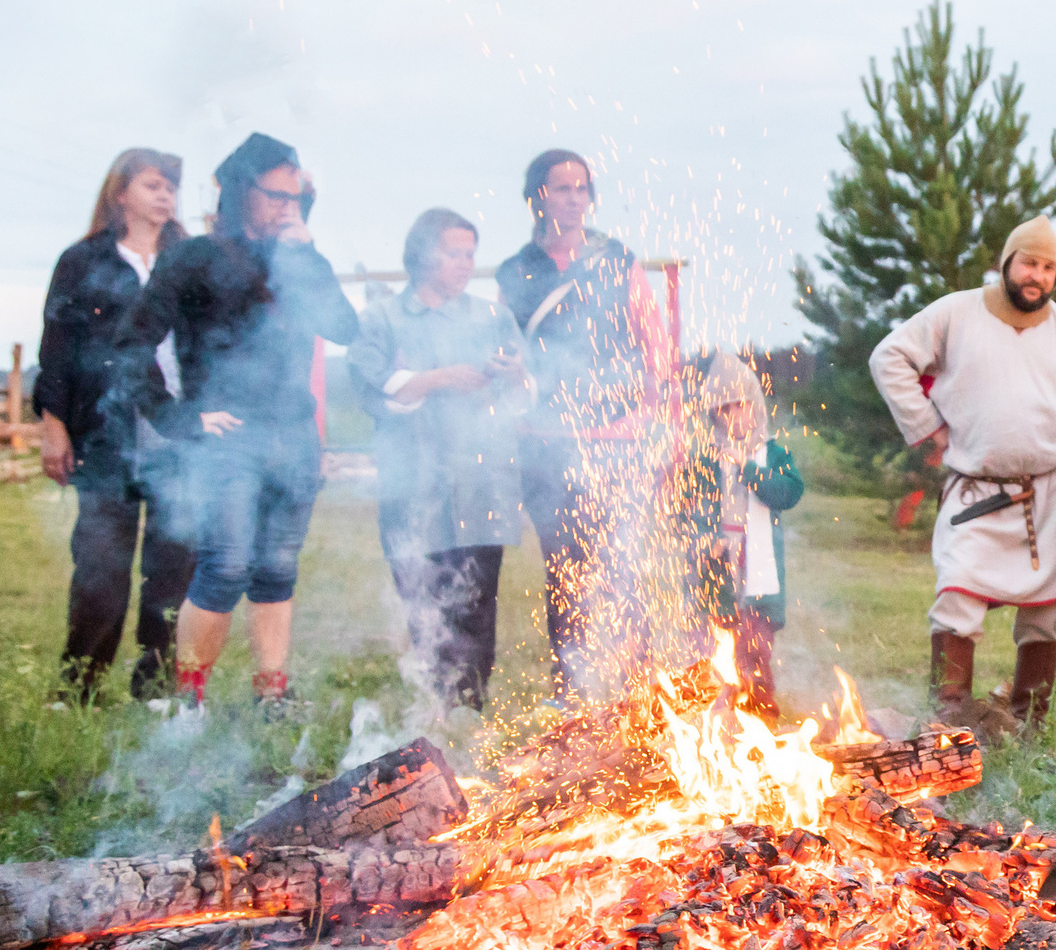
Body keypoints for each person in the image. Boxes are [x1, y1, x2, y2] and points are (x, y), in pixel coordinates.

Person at [868, 217, 1056, 737]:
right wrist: (928, 426)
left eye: (1048, 268)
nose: (1037, 276)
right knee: (956, 598)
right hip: (976, 491)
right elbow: (890, 358)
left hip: (1050, 493)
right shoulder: (955, 313)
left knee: (1045, 615)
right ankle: (948, 722)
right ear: (1006, 263)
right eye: (1029, 263)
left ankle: (1028, 726)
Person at [125, 132, 359, 713]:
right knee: (225, 564)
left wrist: (306, 255)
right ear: (239, 192)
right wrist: (179, 418)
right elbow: (130, 346)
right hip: (227, 439)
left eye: (297, 198)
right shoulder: (193, 257)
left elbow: (345, 328)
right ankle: (189, 699)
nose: (288, 208)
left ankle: (271, 689)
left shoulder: (299, 259)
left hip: (295, 434)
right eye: (276, 196)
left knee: (278, 564)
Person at [496, 148, 675, 697]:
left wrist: (652, 417)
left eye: (582, 188)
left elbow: (656, 345)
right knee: (564, 568)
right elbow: (506, 346)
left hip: (616, 438)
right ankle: (571, 684)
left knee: (620, 564)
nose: (573, 199)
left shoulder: (616, 259)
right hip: (545, 441)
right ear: (537, 196)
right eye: (561, 188)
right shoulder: (514, 271)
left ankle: (636, 685)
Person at [34, 149, 196, 705]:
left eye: (171, 187)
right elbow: (57, 349)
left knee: (174, 568)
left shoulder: (189, 260)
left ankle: (155, 682)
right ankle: (77, 687)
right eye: (152, 184)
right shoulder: (82, 262)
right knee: (101, 569)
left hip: (179, 436)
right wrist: (53, 425)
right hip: (107, 433)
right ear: (119, 192)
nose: (165, 195)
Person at [348, 208, 526, 712]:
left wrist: (514, 375)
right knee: (423, 603)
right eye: (454, 253)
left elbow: (527, 391)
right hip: (414, 484)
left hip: (483, 481)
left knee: (475, 603)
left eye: (470, 254)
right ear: (423, 254)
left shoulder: (492, 317)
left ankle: (467, 710)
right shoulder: (383, 318)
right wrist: (439, 377)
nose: (466, 264)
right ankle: (432, 708)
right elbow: (369, 388)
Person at [670, 354, 805, 720]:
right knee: (711, 640)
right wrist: (705, 538)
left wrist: (747, 468)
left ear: (755, 407)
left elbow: (788, 493)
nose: (733, 418)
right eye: (723, 411)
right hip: (717, 564)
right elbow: (683, 511)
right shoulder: (704, 460)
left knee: (755, 643)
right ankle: (710, 715)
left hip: (758, 565)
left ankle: (759, 714)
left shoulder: (773, 454)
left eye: (739, 408)